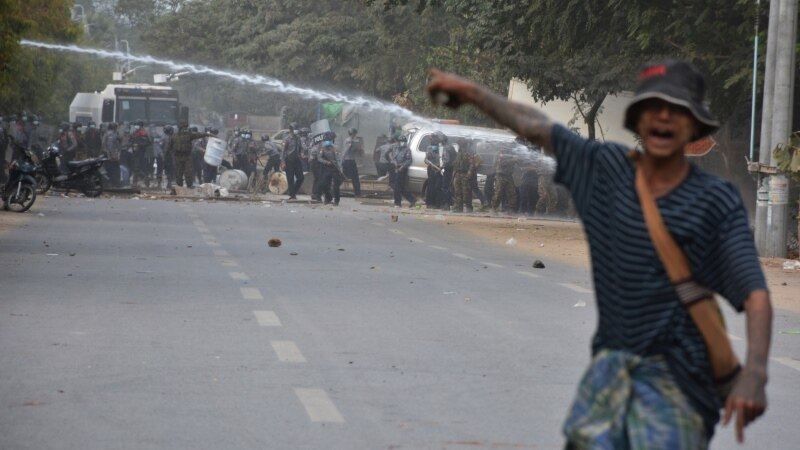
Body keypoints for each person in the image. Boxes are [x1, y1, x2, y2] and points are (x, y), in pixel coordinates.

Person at [427, 60, 772, 448]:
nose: (662, 117)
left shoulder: (715, 199)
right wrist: (474, 94)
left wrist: (755, 373)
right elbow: (536, 125)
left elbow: (755, 293)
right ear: (638, 121)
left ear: (693, 126)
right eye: (652, 107)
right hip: (610, 373)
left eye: (676, 110)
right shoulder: (605, 169)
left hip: (679, 383)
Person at [168, 121, 207, 188]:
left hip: (188, 156)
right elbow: (169, 146)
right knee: (179, 172)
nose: (185, 130)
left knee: (189, 171)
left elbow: (200, 135)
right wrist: (166, 155)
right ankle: (180, 185)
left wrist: (207, 134)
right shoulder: (174, 136)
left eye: (186, 128)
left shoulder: (190, 135)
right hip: (178, 157)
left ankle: (190, 184)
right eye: (183, 128)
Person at [388, 135, 416, 208]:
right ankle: (412, 199)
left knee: (397, 186)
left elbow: (409, 160)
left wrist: (402, 167)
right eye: (401, 142)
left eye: (403, 142)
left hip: (402, 169)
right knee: (399, 186)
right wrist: (394, 163)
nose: (402, 143)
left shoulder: (407, 150)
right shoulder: (396, 149)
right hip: (396, 168)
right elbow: (393, 157)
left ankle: (397, 203)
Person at [451, 140, 477, 213]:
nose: (459, 145)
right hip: (458, 174)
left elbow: (472, 164)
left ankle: (469, 207)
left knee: (466, 192)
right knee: (457, 191)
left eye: (460, 143)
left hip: (465, 174)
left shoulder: (468, 152)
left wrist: (469, 173)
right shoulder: (459, 152)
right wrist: (454, 174)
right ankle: (459, 207)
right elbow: (456, 164)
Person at [491, 145, 518, 214]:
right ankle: (494, 208)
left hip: (508, 175)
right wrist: (512, 160)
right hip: (500, 175)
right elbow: (502, 163)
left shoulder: (511, 153)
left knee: (512, 192)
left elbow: (517, 161)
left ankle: (511, 209)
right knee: (498, 192)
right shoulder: (499, 153)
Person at [318, 132, 343, 205]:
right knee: (323, 184)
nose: (327, 141)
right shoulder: (323, 148)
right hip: (326, 168)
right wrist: (326, 162)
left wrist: (340, 169)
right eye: (326, 140)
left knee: (336, 186)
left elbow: (338, 159)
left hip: (335, 168)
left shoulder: (335, 148)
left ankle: (336, 201)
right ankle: (328, 198)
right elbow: (319, 158)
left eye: (328, 139)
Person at [281, 123, 305, 199]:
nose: (296, 131)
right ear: (291, 130)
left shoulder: (298, 138)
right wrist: (283, 162)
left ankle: (293, 191)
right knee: (290, 179)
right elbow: (283, 151)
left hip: (297, 160)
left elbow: (300, 148)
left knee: (301, 178)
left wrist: (301, 154)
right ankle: (292, 195)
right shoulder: (286, 139)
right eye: (295, 129)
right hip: (289, 160)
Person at [341, 127, 363, 196]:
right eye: (355, 133)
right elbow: (347, 149)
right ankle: (357, 193)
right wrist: (342, 159)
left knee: (343, 176)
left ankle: (332, 188)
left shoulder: (350, 140)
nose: (355, 135)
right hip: (349, 161)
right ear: (353, 133)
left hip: (347, 161)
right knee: (355, 177)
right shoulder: (350, 141)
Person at [130, 120, 152, 186]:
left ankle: (146, 182)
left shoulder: (143, 133)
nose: (136, 126)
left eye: (137, 125)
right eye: (135, 125)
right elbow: (131, 140)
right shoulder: (135, 133)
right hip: (135, 153)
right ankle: (135, 182)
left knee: (142, 168)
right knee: (136, 168)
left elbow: (147, 143)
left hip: (142, 154)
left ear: (141, 126)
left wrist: (139, 145)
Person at [424, 136, 443, 208]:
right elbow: (426, 160)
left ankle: (437, 204)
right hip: (431, 170)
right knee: (430, 186)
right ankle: (429, 203)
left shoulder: (441, 149)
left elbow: (443, 159)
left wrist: (440, 167)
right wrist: (431, 165)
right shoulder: (429, 148)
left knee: (438, 187)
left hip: (439, 170)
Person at [102, 123, 122, 187]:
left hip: (110, 154)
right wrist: (111, 156)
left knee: (109, 169)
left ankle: (111, 183)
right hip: (111, 155)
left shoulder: (109, 133)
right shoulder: (111, 134)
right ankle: (114, 183)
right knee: (113, 169)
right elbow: (110, 146)